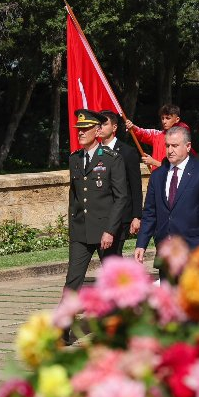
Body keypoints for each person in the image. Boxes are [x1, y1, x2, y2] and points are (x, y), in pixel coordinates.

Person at [135, 126, 199, 275]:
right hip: (166, 252)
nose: (170, 150)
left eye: (175, 146)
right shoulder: (158, 176)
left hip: (194, 252)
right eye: (167, 145)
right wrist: (141, 244)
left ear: (188, 147)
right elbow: (150, 213)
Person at [65, 110, 129, 291]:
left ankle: (127, 313)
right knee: (73, 278)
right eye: (79, 129)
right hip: (81, 231)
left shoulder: (111, 159)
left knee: (117, 280)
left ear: (98, 130)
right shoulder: (74, 158)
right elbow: (75, 196)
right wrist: (72, 225)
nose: (81, 132)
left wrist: (110, 230)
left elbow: (120, 197)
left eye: (86, 128)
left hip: (105, 231)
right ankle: (65, 315)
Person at [99, 110, 143, 253]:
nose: (100, 127)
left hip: (121, 214)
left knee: (113, 255)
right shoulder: (94, 151)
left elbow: (135, 185)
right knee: (106, 258)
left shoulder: (127, 152)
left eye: (104, 124)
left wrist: (137, 216)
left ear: (114, 127)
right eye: (98, 124)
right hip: (100, 214)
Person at [125, 104, 190, 170]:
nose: (164, 121)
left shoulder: (182, 139)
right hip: (157, 177)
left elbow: (178, 168)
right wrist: (133, 127)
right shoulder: (158, 135)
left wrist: (154, 162)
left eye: (168, 118)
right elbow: (142, 132)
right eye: (162, 118)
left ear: (177, 119)